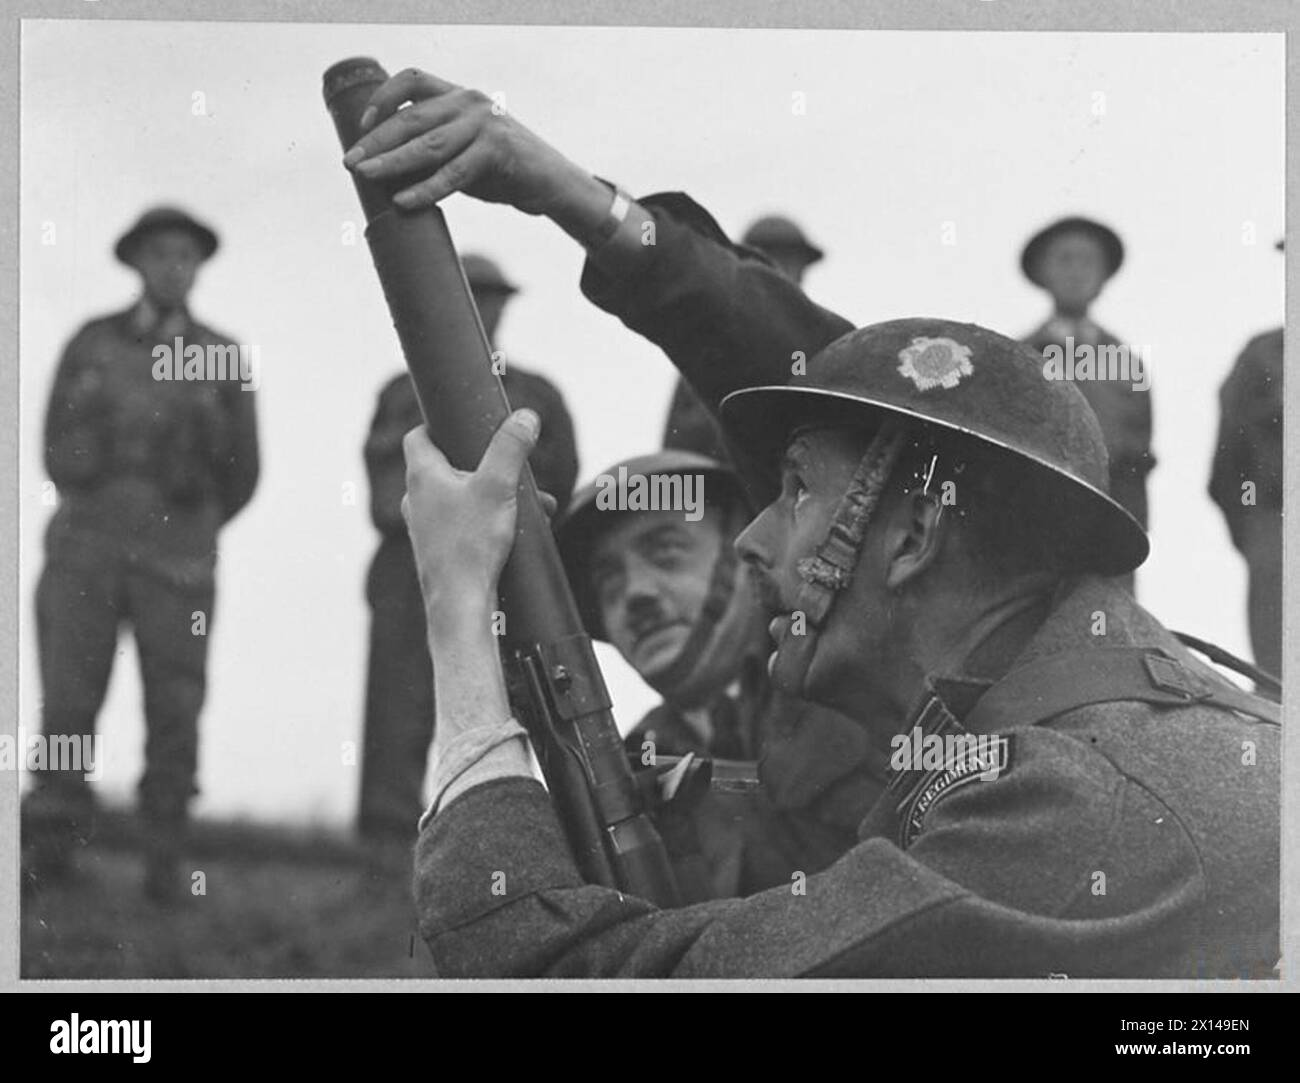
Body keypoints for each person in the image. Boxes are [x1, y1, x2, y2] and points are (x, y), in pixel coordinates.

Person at [342, 68, 1279, 977]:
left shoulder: (1062, 807)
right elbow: (854, 399)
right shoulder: (1124, 706)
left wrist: (458, 615)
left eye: (791, 491)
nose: (753, 541)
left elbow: (558, 969)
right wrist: (581, 200)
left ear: (913, 538)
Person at [24, 206, 259, 902]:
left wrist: (192, 527)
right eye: (159, 253)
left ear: (199, 266)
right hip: (86, 549)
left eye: (185, 254)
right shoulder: (92, 343)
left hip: (177, 561)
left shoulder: (222, 353)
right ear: (136, 262)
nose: (172, 266)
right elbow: (52, 443)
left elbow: (244, 469)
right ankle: (51, 852)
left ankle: (167, 864)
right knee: (67, 704)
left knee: (176, 706)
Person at [556, 447, 889, 898]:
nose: (635, 594)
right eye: (610, 581)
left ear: (745, 556)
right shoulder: (619, 773)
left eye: (667, 555)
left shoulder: (855, 691)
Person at [357, 254, 578, 844]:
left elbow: (560, 488)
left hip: (509, 576)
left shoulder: (537, 397)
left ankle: (506, 852)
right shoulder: (404, 393)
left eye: (492, 297)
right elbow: (385, 491)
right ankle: (384, 868)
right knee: (396, 718)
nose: (482, 309)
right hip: (414, 572)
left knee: (506, 717)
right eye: (470, 296)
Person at [1020, 217, 1154, 541]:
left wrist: (1130, 531)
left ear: (1103, 277)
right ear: (1043, 272)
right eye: (1065, 259)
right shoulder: (1020, 356)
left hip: (1108, 527)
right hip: (1036, 524)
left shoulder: (1124, 361)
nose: (1076, 271)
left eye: (1088, 261)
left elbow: (1140, 453)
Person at [663, 214, 824, 459]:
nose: (797, 277)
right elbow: (685, 441)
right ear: (757, 265)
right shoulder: (714, 338)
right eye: (787, 262)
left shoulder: (809, 344)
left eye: (799, 266)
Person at [1209, 240, 1283, 678]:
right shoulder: (1262, 357)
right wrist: (1258, 529)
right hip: (1276, 521)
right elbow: (1228, 463)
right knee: (1278, 679)